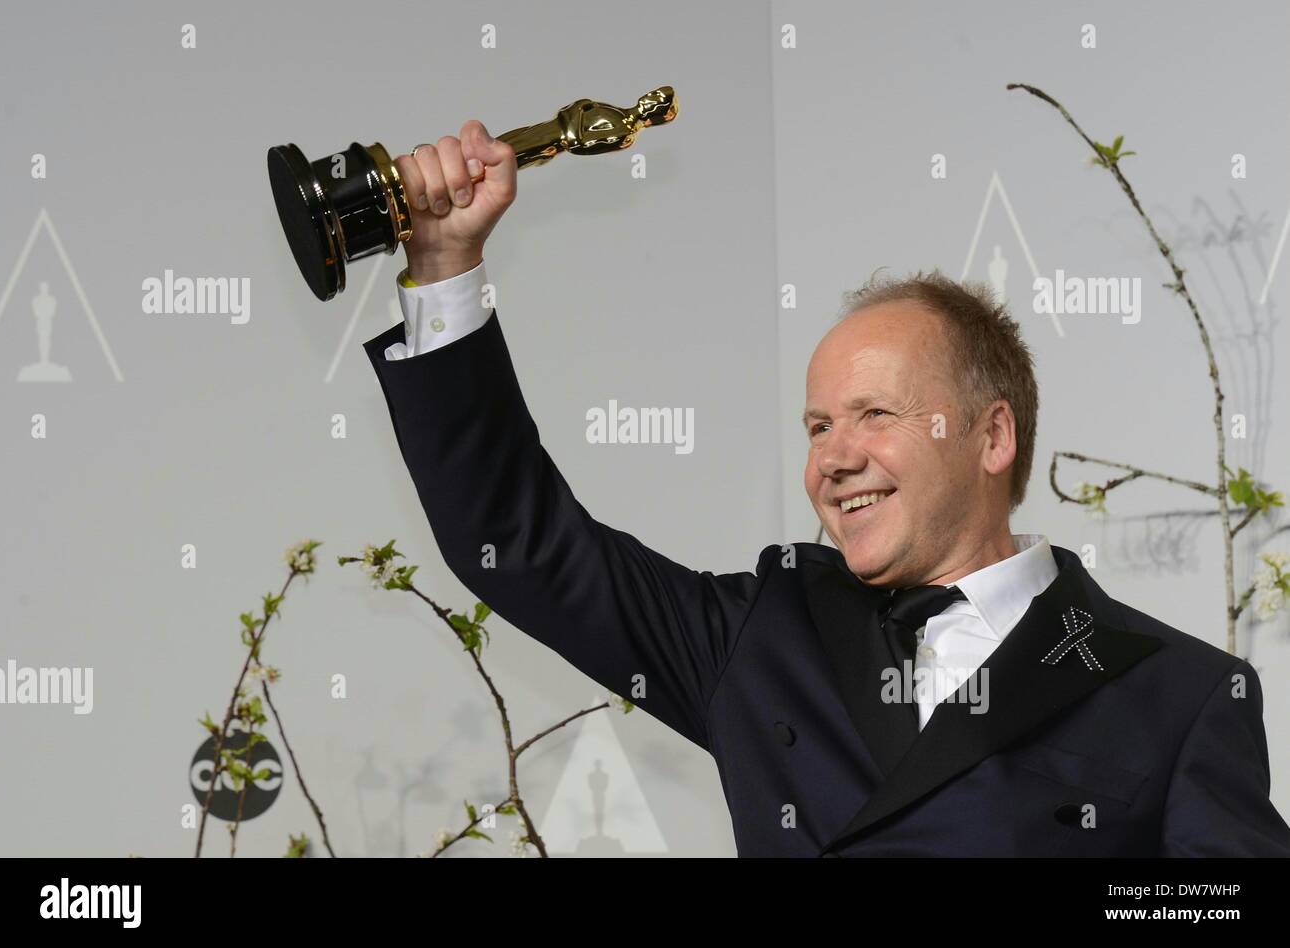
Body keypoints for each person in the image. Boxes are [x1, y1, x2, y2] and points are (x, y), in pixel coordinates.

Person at [361, 119, 1290, 857]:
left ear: (991, 435)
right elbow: (518, 542)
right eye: (816, 428)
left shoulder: (1181, 692)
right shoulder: (759, 637)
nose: (832, 458)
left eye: (874, 415)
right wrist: (446, 268)